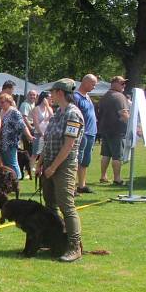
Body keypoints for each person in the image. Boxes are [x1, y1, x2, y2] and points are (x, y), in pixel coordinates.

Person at [39, 78, 84, 262]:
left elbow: (69, 145)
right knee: (50, 205)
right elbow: (49, 139)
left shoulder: (73, 114)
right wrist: (41, 161)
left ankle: (74, 246)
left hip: (63, 165)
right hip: (49, 163)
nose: (50, 95)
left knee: (66, 206)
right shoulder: (58, 113)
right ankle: (54, 240)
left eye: (52, 91)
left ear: (60, 92)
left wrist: (53, 167)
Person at [98, 76, 130, 185]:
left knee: (106, 155)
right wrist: (132, 126)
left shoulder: (104, 97)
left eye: (124, 83)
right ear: (114, 83)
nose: (124, 86)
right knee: (117, 156)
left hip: (105, 130)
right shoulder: (119, 97)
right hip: (117, 131)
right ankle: (117, 179)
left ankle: (103, 176)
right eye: (122, 83)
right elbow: (124, 114)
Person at [0, 93, 33, 179]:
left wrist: (29, 135)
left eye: (3, 102)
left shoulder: (14, 112)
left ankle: (17, 180)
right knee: (6, 164)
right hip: (3, 142)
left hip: (11, 142)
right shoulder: (2, 111)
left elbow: (22, 125)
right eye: (0, 102)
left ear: (9, 102)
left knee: (12, 163)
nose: (1, 104)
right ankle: (10, 181)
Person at [73, 74, 98, 193]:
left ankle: (82, 185)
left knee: (85, 160)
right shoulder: (76, 97)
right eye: (93, 84)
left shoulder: (87, 97)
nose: (94, 86)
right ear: (86, 82)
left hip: (91, 133)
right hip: (82, 133)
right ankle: (71, 187)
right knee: (77, 159)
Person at [31, 90, 53, 166]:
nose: (51, 99)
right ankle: (30, 169)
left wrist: (47, 106)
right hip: (38, 133)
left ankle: (40, 167)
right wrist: (41, 133)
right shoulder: (36, 109)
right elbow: (36, 124)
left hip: (47, 133)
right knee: (35, 153)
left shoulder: (49, 108)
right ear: (44, 99)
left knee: (45, 153)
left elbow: (52, 117)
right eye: (49, 98)